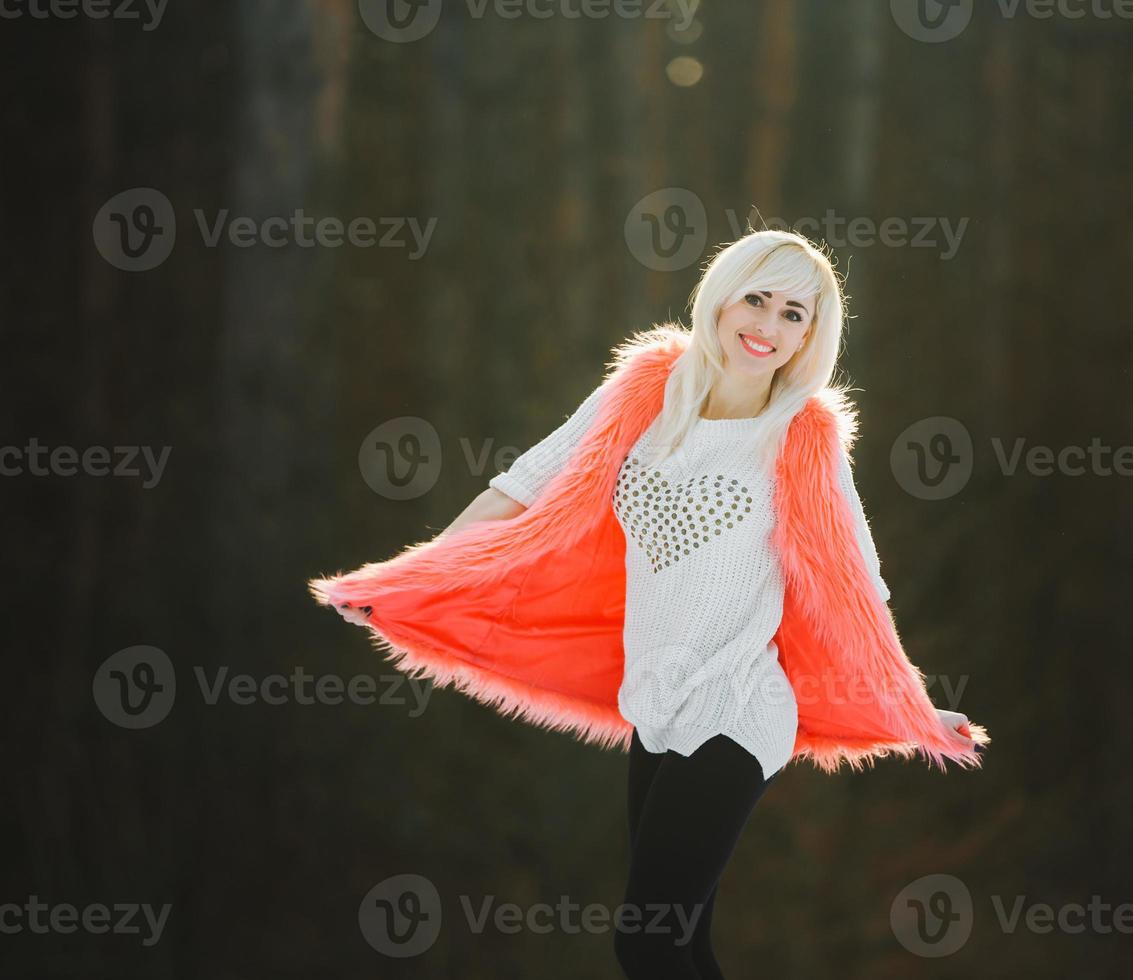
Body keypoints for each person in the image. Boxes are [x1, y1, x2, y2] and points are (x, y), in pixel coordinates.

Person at [323, 229, 981, 977]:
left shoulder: (800, 438)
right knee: (682, 944)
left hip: (739, 708)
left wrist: (913, 700)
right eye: (757, 299)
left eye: (794, 314)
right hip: (657, 709)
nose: (768, 327)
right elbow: (523, 485)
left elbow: (858, 581)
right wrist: (411, 579)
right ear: (721, 298)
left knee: (646, 940)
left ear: (812, 335)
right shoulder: (646, 393)